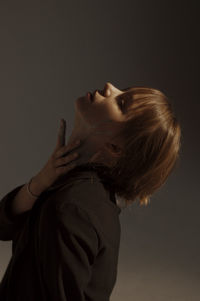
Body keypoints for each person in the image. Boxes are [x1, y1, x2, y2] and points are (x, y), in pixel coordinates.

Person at [0, 82, 181, 300]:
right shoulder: (80, 193)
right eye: (123, 91)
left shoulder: (72, 207)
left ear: (115, 148)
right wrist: (40, 182)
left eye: (122, 103)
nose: (109, 87)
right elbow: (3, 227)